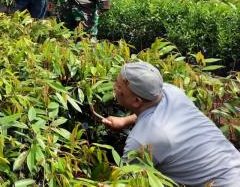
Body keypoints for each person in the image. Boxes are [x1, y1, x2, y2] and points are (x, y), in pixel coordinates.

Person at [102, 61, 240, 185]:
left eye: (119, 86)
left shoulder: (140, 142)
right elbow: (152, 111)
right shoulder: (170, 91)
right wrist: (125, 120)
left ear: (136, 101)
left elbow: (124, 181)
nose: (114, 87)